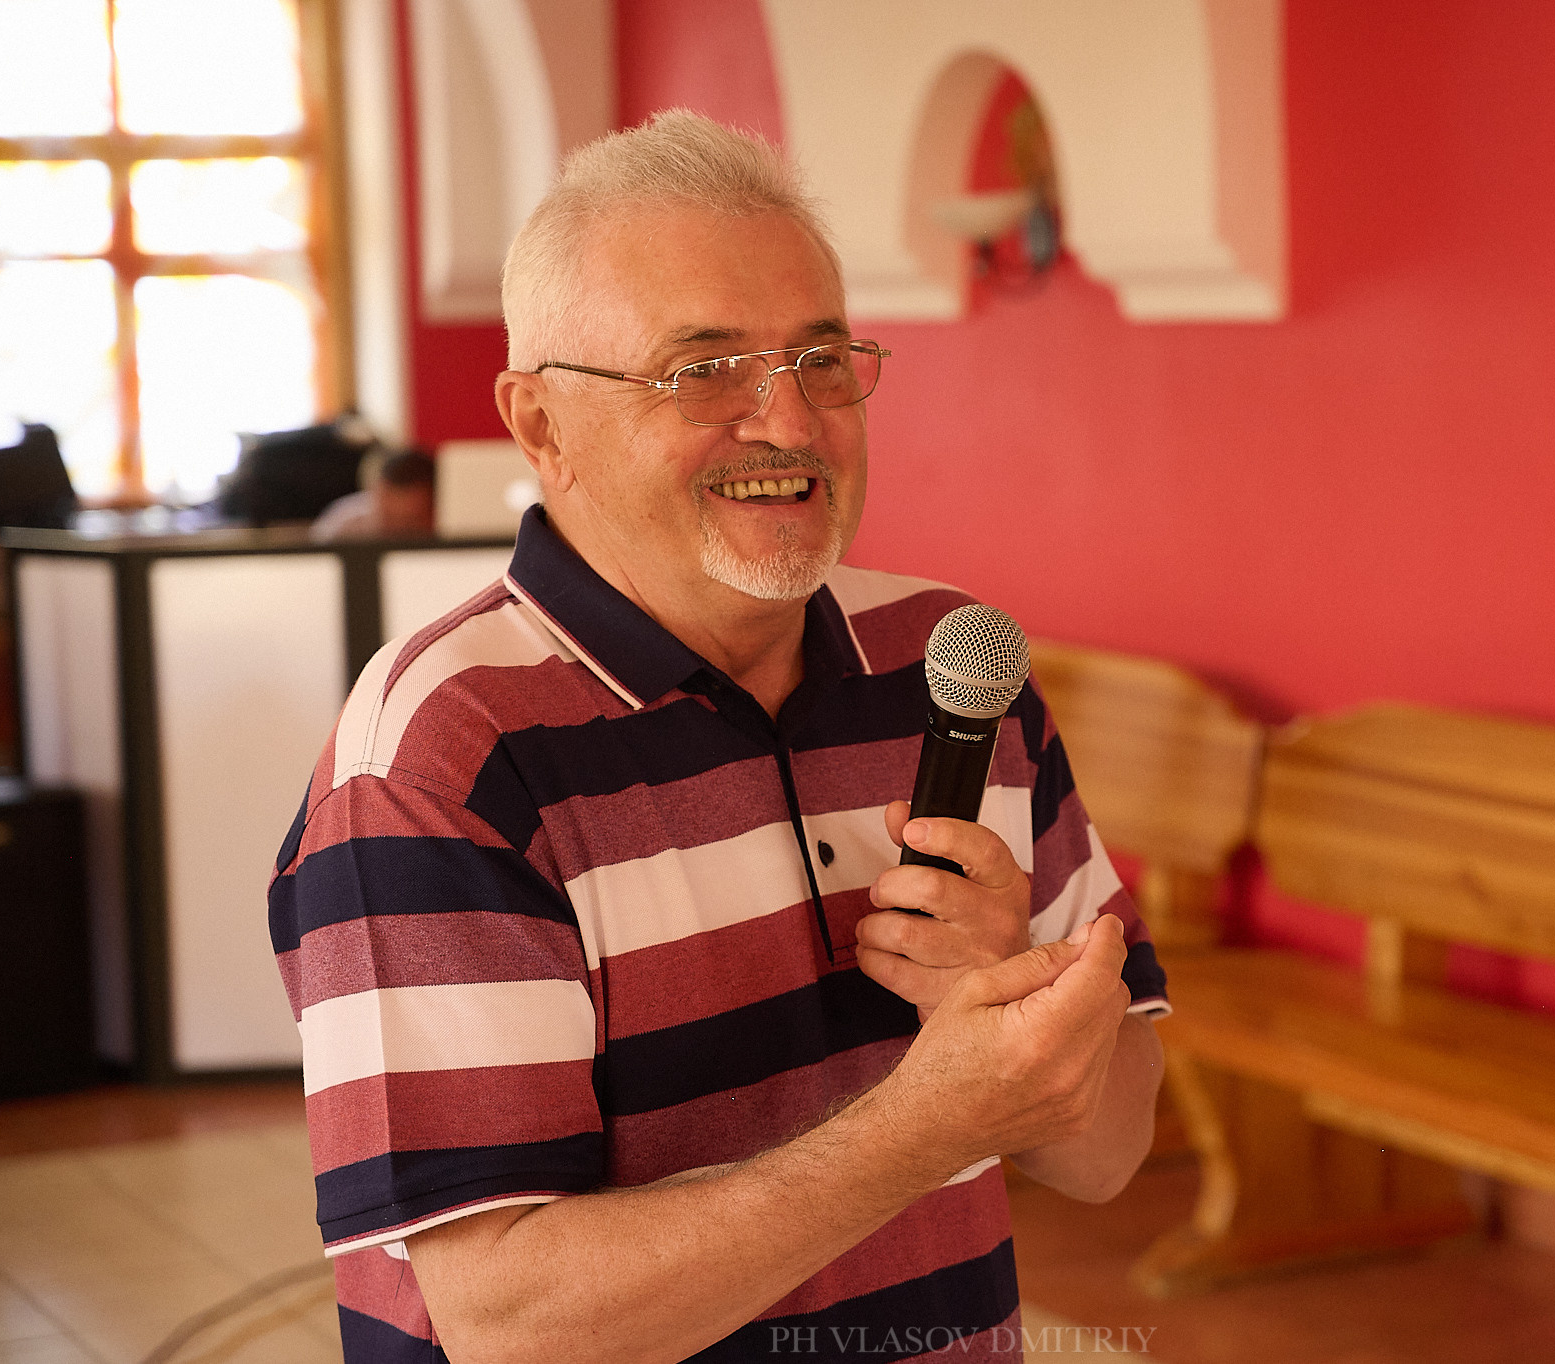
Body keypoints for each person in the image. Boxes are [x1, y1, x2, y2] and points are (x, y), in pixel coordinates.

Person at [269, 109, 1167, 1364]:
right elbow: (510, 1325)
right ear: (540, 427)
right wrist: (920, 1122)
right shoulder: (441, 757)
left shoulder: (956, 667)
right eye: (703, 372)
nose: (788, 424)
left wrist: (1002, 974)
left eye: (818, 359)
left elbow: (1112, 1149)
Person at [309, 449, 437, 541]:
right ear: (375, 493)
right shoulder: (343, 524)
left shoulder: (449, 524)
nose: (397, 532)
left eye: (410, 523)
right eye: (388, 518)